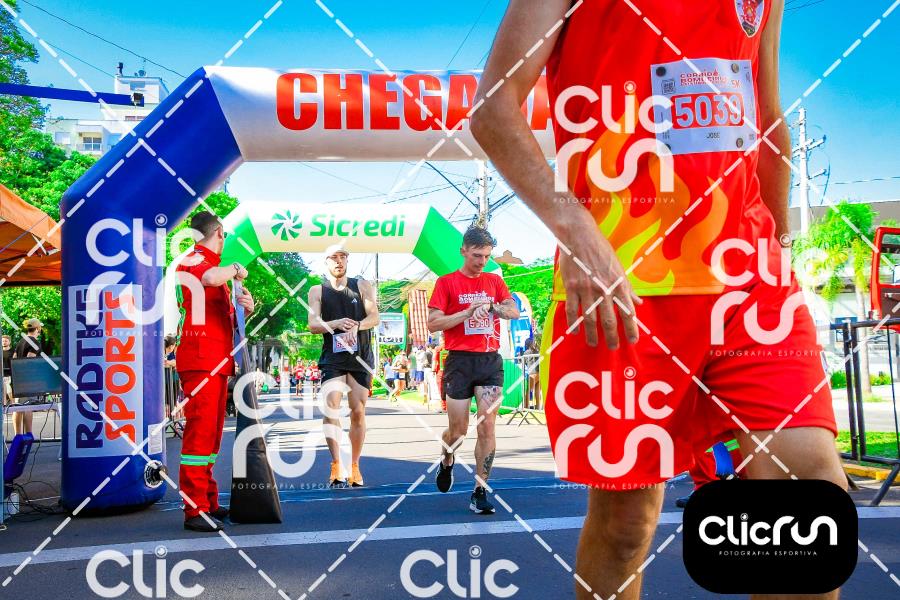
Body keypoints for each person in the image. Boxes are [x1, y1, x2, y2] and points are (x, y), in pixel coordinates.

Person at [472, 1, 845, 597]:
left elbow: (766, 115)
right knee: (626, 525)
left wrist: (779, 251)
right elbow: (494, 107)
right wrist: (578, 234)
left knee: (809, 497)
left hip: (750, 276)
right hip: (622, 282)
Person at [427, 226, 520, 514]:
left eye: (487, 256)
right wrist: (466, 313)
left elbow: (513, 311)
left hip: (489, 361)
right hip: (459, 361)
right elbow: (433, 323)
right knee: (459, 430)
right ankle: (447, 459)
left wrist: (492, 307)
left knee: (487, 425)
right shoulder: (446, 283)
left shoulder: (494, 281)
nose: (482, 261)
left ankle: (480, 490)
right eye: (477, 255)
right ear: (463, 251)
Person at [175, 211, 255, 532]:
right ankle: (194, 509)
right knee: (200, 436)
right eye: (224, 236)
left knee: (210, 437)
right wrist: (235, 268)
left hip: (214, 361)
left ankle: (207, 501)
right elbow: (208, 279)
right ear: (219, 232)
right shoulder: (195, 259)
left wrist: (245, 309)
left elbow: (221, 315)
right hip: (201, 361)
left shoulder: (209, 265)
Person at [307, 245, 379, 488]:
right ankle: (337, 463)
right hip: (333, 358)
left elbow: (375, 317)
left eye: (343, 257)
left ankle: (354, 465)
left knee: (357, 410)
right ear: (326, 262)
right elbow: (313, 324)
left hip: (360, 357)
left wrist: (358, 325)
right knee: (331, 408)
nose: (339, 262)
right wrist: (336, 323)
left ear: (347, 260)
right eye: (334, 258)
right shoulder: (317, 290)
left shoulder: (362, 285)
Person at [11, 318, 44, 435]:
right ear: (37, 329)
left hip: (18, 379)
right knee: (28, 406)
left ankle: (18, 435)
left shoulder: (21, 341)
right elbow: (29, 360)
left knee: (18, 407)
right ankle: (28, 435)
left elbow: (14, 359)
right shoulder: (34, 342)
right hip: (28, 379)